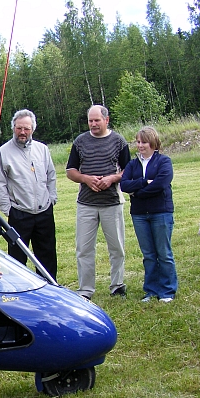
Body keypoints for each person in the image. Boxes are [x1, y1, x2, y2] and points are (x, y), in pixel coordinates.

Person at [66, 105, 131, 299]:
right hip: (86, 203)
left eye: (97, 120)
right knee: (84, 249)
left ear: (106, 120)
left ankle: (117, 286)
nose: (93, 124)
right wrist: (85, 179)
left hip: (112, 202)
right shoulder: (80, 142)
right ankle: (85, 290)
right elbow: (70, 171)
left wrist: (112, 178)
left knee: (116, 247)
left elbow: (129, 171)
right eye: (90, 121)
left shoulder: (119, 141)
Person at [0, 109, 58, 279]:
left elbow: (51, 175)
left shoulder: (42, 149)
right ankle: (20, 288)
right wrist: (9, 210)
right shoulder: (3, 153)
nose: (22, 132)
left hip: (44, 212)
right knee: (18, 259)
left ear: (32, 129)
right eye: (19, 128)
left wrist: (52, 199)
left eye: (26, 128)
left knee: (47, 254)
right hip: (19, 214)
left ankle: (50, 287)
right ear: (13, 127)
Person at [120, 127, 178, 303]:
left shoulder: (164, 161)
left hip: (161, 212)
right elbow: (124, 185)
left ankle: (167, 291)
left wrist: (138, 193)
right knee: (149, 255)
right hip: (139, 215)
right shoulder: (132, 164)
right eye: (138, 142)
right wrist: (144, 182)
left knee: (164, 253)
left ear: (152, 142)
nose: (140, 145)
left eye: (143, 142)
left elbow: (161, 184)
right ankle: (151, 290)